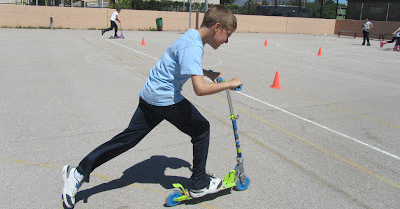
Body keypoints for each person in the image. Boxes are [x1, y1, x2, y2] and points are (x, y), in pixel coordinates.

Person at [62, 5, 242, 209]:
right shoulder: (194, 46)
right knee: (201, 129)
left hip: (150, 94)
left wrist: (207, 71)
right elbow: (199, 89)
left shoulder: (191, 36)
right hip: (164, 98)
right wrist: (230, 84)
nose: (226, 41)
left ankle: (77, 172)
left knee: (126, 139)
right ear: (217, 26)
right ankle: (199, 183)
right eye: (227, 35)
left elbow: (183, 63)